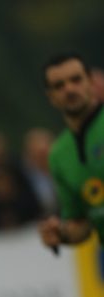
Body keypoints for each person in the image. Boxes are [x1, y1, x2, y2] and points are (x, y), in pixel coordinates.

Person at [38, 52, 104, 252]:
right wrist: (62, 234)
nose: (69, 89)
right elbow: (81, 222)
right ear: (51, 97)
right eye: (59, 86)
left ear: (91, 82)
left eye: (76, 80)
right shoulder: (58, 154)